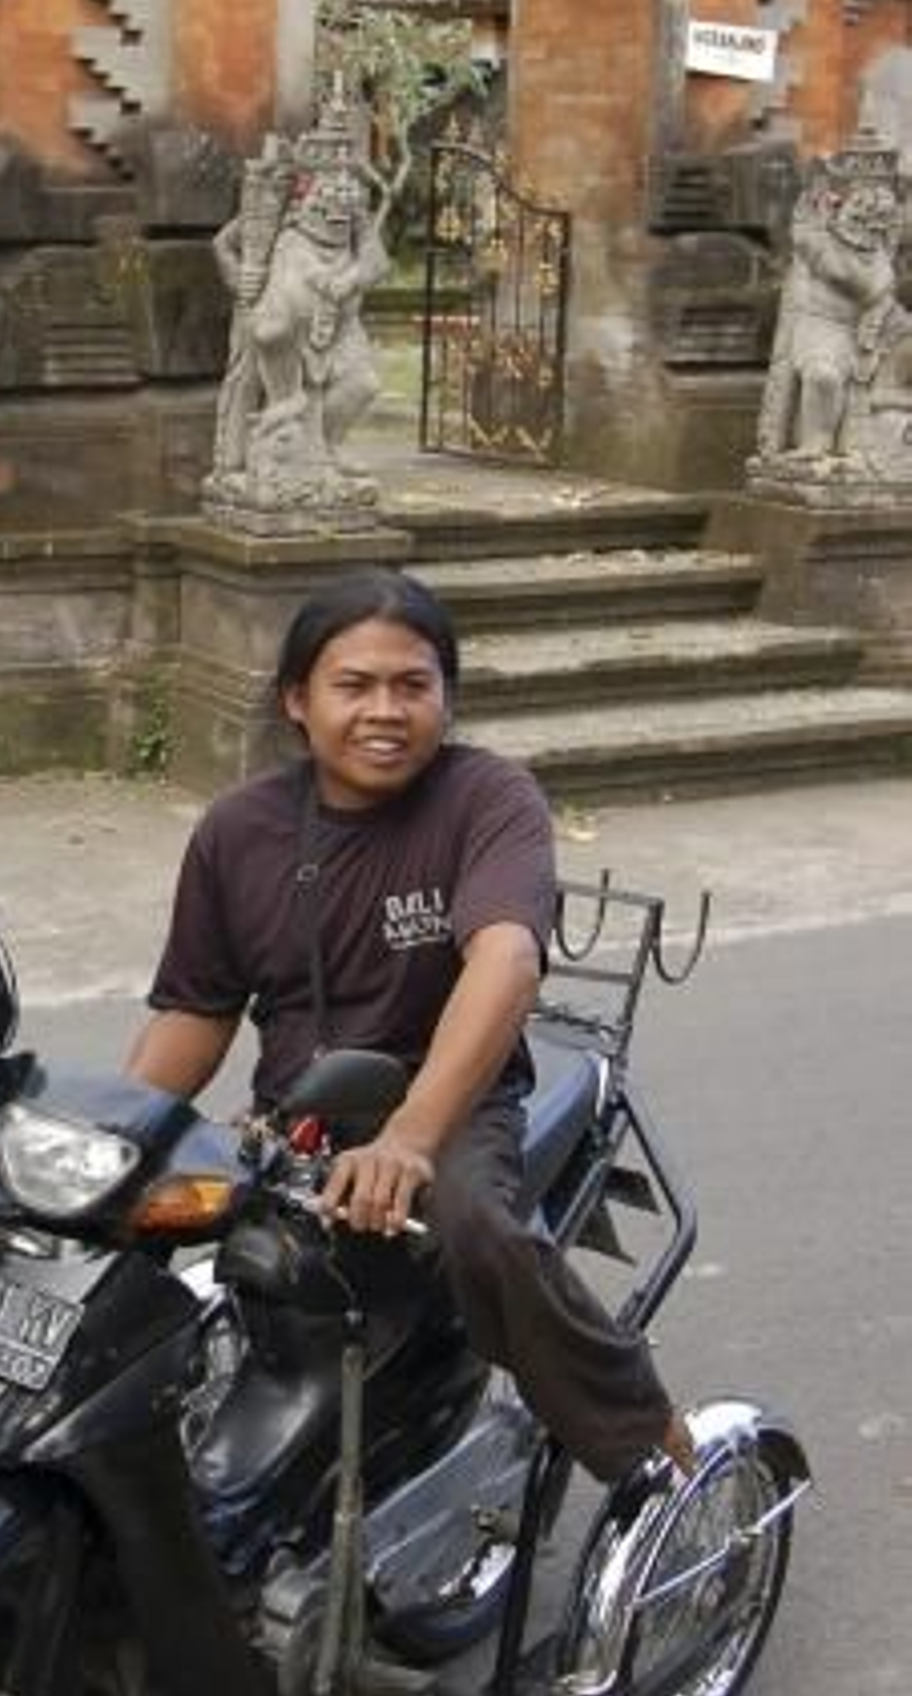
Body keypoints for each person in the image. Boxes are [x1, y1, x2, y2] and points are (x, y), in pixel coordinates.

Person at [127, 568, 694, 1487]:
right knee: (128, 1243)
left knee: (480, 1228)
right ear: (297, 702)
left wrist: (412, 1138)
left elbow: (505, 958)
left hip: (450, 1101)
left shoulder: (488, 797)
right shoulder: (238, 831)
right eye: (353, 686)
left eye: (412, 685)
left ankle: (645, 1433)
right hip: (298, 1114)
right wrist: (115, 1134)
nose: (384, 711)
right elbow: (197, 1009)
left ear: (446, 698)